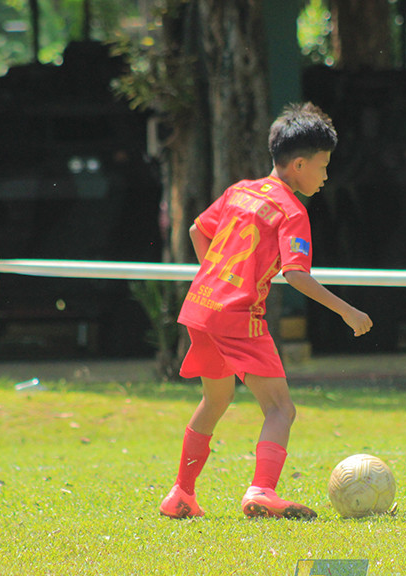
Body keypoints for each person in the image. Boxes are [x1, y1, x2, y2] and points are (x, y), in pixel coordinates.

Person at [160, 102, 373, 521]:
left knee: (215, 400)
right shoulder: (292, 211)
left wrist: (218, 279)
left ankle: (181, 493)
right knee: (280, 409)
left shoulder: (240, 191)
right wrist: (347, 311)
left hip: (201, 308)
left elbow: (197, 230)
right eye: (323, 166)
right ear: (299, 165)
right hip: (238, 316)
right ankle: (261, 491)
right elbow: (296, 275)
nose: (325, 176)